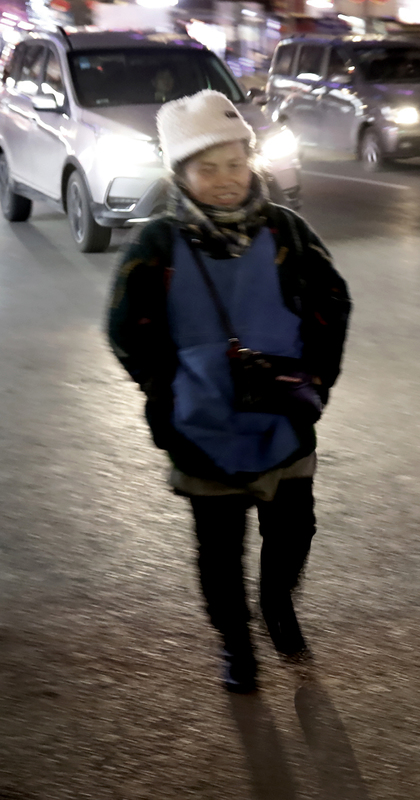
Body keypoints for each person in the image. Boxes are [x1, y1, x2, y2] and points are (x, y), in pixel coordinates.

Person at [107, 90, 351, 693]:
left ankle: (277, 604)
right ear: (180, 174)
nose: (225, 180)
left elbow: (332, 301)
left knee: (294, 529)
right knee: (218, 549)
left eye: (236, 164)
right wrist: (164, 390)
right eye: (207, 168)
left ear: (251, 162)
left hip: (283, 414)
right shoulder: (156, 243)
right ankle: (235, 644)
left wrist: (317, 380)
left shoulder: (286, 230)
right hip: (201, 422)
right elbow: (126, 327)